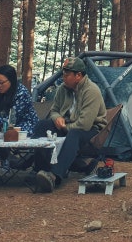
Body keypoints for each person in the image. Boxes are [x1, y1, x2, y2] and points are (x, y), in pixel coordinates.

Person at [33, 56, 107, 193]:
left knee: (74, 134)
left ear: (78, 75)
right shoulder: (63, 88)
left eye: (66, 75)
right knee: (42, 125)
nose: (63, 78)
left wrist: (64, 127)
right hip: (68, 126)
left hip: (91, 130)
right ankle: (41, 169)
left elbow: (84, 125)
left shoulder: (91, 91)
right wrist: (57, 118)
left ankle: (54, 176)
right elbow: (54, 110)